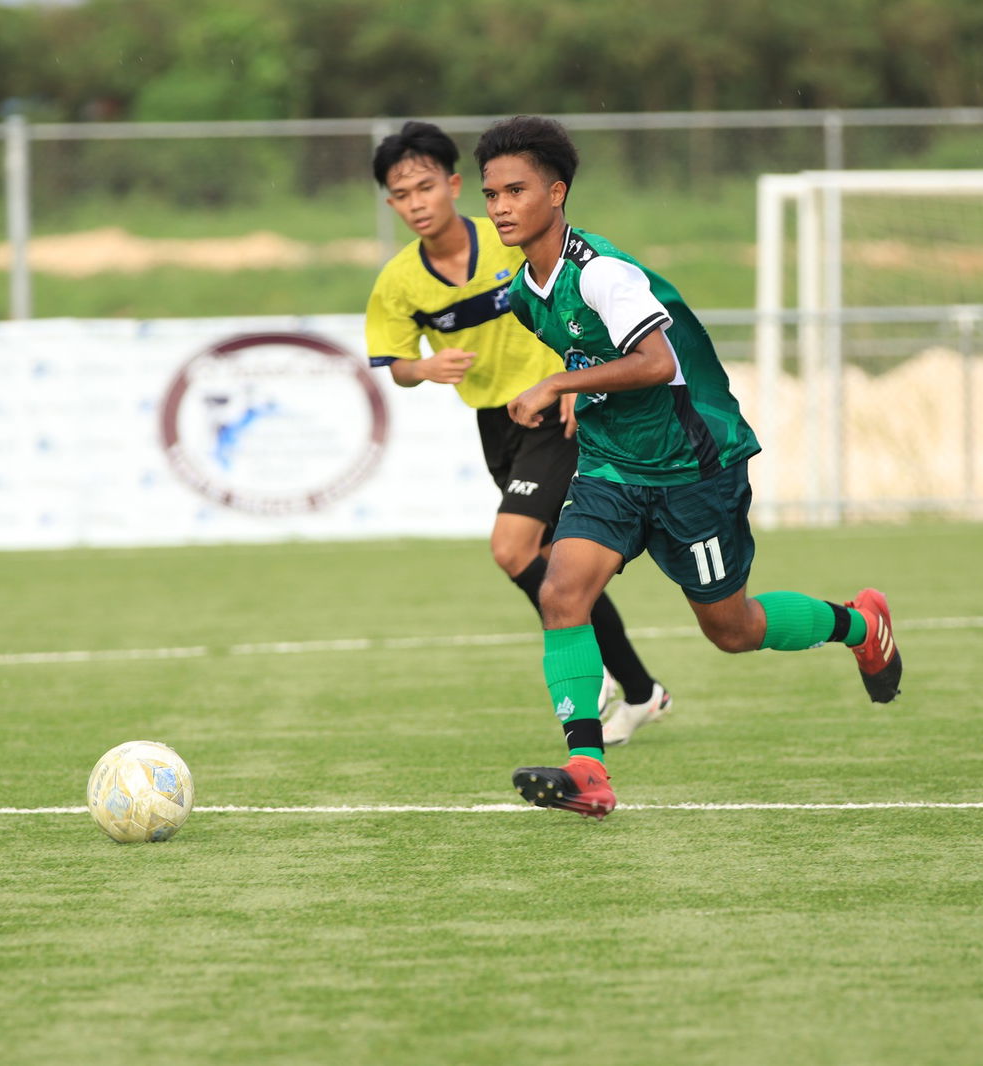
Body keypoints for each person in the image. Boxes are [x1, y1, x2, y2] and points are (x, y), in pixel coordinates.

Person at [474, 115, 904, 819]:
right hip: (613, 469)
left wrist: (561, 387)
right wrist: (577, 384)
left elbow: (657, 362)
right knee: (561, 594)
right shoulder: (527, 290)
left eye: (515, 190)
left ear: (557, 193)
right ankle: (588, 768)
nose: (500, 207)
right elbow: (586, 350)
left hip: (692, 469)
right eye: (491, 195)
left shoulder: (605, 273)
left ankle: (858, 625)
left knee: (731, 630)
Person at [365, 120, 671, 744]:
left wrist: (568, 382)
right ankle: (639, 690)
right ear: (392, 205)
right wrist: (422, 367)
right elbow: (394, 365)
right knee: (561, 572)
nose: (416, 203)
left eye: (426, 186)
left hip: (553, 408)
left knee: (512, 549)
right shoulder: (399, 281)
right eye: (402, 195)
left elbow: (573, 304)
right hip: (497, 421)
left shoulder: (511, 234)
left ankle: (598, 680)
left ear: (453, 186)